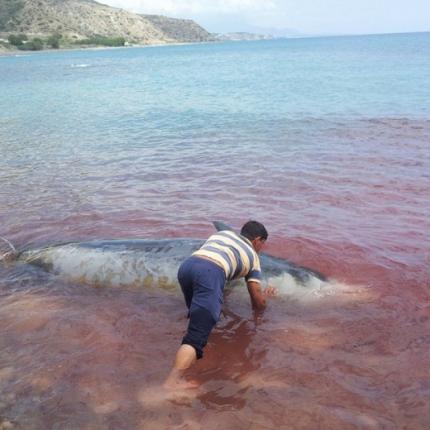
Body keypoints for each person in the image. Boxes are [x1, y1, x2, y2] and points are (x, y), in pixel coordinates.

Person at [164, 220, 277, 390]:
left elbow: (216, 258)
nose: (261, 249)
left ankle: (196, 347)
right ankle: (172, 382)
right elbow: (257, 302)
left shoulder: (222, 234)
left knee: (198, 317)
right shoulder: (254, 258)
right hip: (211, 273)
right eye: (263, 244)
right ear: (257, 240)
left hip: (187, 267)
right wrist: (267, 299)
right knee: (197, 336)